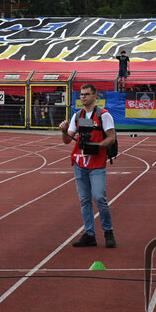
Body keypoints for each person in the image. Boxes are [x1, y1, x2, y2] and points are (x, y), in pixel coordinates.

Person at [59, 83, 117, 248]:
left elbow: (111, 138)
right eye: (81, 94)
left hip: (97, 163)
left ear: (94, 95)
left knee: (99, 198)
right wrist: (63, 130)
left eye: (86, 94)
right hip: (80, 163)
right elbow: (67, 140)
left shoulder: (104, 115)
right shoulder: (77, 116)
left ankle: (108, 231)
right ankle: (90, 234)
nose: (83, 97)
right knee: (85, 200)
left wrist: (97, 146)